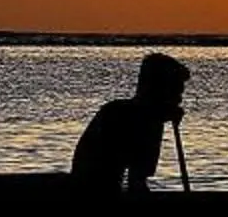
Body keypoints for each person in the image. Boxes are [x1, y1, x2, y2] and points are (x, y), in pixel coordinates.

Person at [73, 52, 190, 195]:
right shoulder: (143, 120)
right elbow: (137, 182)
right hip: (95, 194)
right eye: (176, 93)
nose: (179, 101)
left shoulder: (121, 110)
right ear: (158, 90)